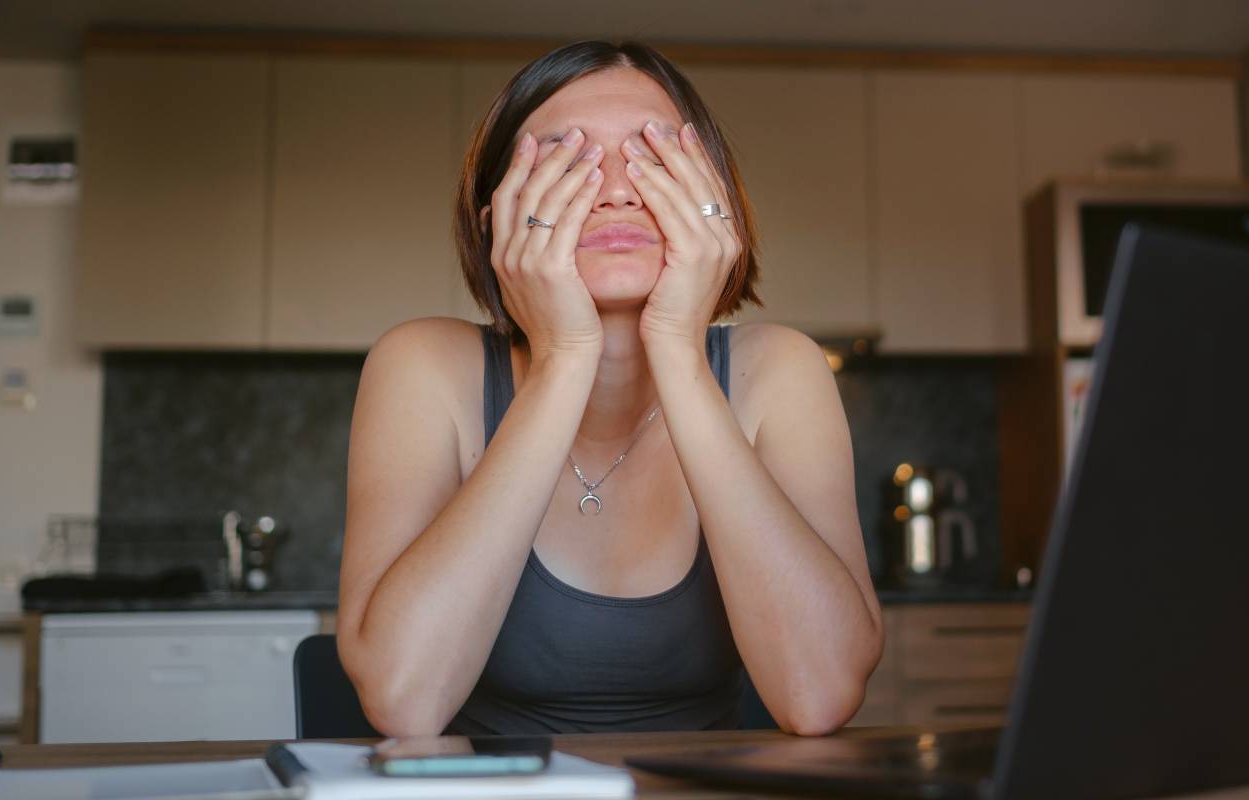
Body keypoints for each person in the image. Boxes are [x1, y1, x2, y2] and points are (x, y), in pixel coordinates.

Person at [336, 40, 883, 737]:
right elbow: (404, 701)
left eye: (655, 160)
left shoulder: (782, 370)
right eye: (570, 161)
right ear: (494, 216)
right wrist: (566, 354)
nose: (620, 189)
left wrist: (680, 352)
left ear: (717, 203)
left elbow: (820, 695)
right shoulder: (421, 365)